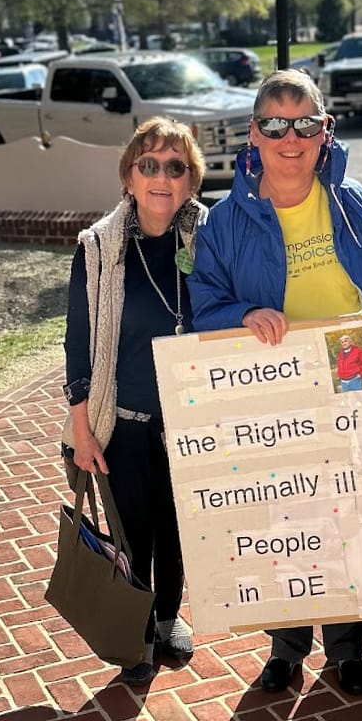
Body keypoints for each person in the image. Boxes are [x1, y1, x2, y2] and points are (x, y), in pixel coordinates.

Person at [188, 70, 362, 696]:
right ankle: (286, 648)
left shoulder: (357, 208)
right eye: (274, 124)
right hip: (277, 399)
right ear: (254, 133)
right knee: (285, 521)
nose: (289, 137)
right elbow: (201, 304)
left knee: (351, 519)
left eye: (304, 123)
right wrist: (241, 315)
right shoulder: (225, 223)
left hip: (357, 387)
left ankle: (347, 649)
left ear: (325, 132)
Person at [63, 116, 208, 686]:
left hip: (189, 417)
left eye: (176, 167)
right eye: (148, 164)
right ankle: (138, 625)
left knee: (179, 524)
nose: (161, 177)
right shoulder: (98, 250)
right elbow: (78, 345)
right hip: (122, 419)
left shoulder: (208, 241)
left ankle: (171, 616)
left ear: (191, 180)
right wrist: (81, 427)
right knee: (133, 527)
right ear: (129, 175)